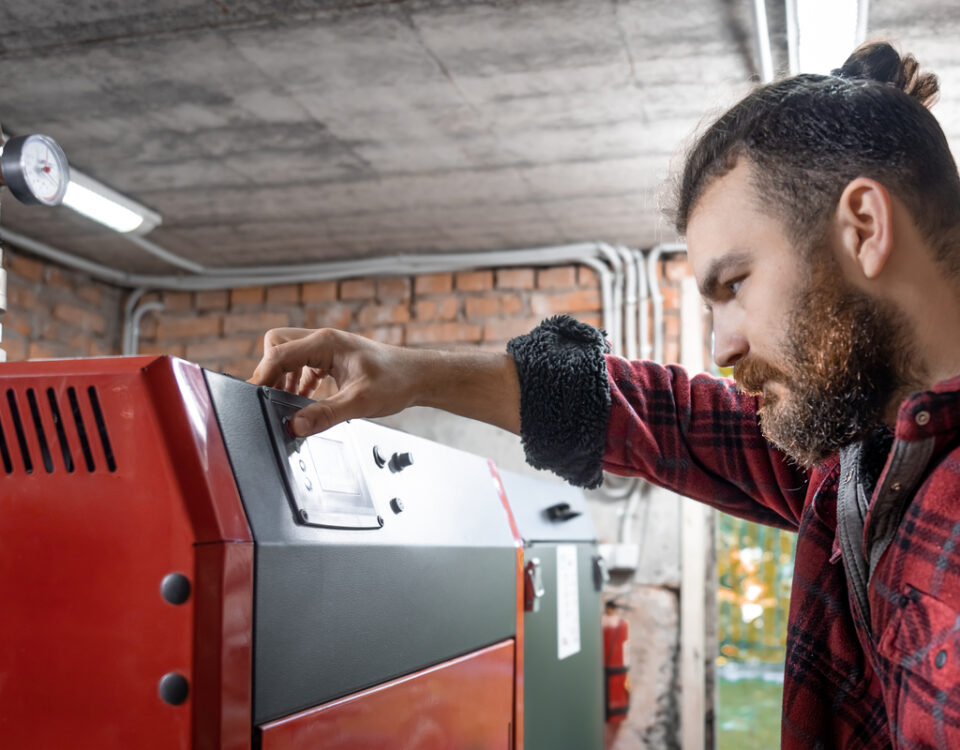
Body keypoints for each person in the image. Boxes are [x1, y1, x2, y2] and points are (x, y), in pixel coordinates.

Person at [250, 42, 960, 748]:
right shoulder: (861, 455)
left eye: (735, 284)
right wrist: (413, 374)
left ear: (863, 229)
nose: (723, 348)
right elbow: (667, 418)